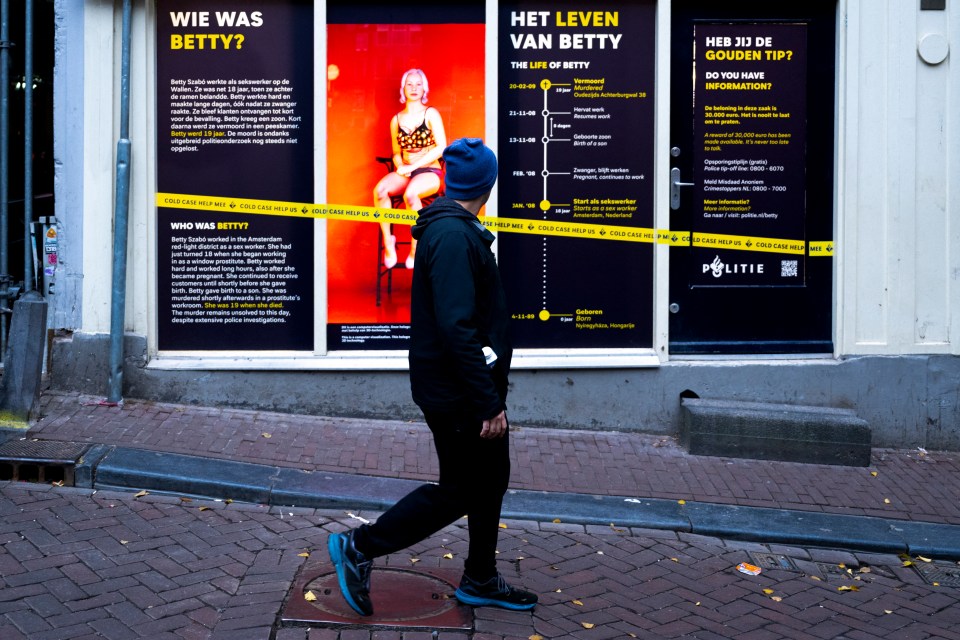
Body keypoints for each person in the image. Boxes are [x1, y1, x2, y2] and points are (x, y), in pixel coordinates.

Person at [328, 138, 537, 617]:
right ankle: (360, 546)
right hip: (459, 394)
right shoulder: (453, 237)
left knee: (490, 479)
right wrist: (486, 401)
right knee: (464, 488)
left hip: (459, 387)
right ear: (488, 184)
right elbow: (457, 327)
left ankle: (481, 577)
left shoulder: (454, 229)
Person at [374, 68, 447, 269]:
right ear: (403, 88)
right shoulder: (396, 120)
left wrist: (413, 166)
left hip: (430, 172)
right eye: (409, 84)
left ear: (424, 88)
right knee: (379, 191)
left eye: (418, 84)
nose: (414, 88)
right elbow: (396, 152)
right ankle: (390, 243)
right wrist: (400, 166)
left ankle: (416, 248)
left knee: (411, 195)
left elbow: (442, 147)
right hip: (407, 170)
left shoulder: (431, 113)